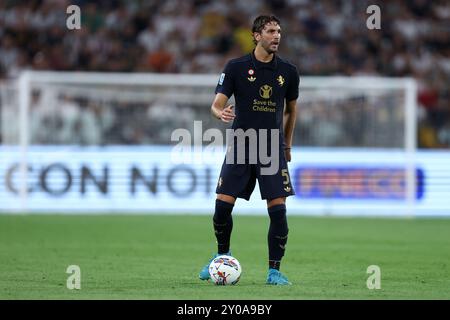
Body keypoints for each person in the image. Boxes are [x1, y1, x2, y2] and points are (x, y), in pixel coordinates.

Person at [199, 15, 299, 285]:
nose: (276, 36)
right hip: (242, 144)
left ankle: (274, 271)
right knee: (222, 206)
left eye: (279, 31)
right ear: (256, 35)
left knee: (278, 209)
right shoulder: (236, 67)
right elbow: (216, 103)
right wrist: (220, 113)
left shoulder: (288, 72)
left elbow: (291, 111)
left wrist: (287, 144)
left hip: (271, 147)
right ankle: (221, 257)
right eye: (270, 31)